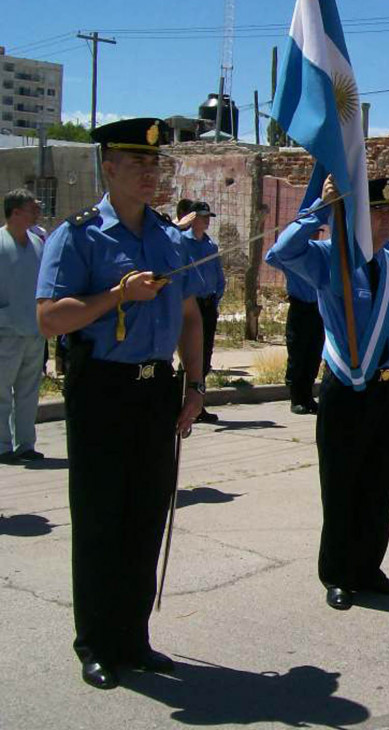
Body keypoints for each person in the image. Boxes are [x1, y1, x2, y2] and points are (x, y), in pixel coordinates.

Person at [36, 118, 205, 690]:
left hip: (156, 387)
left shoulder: (167, 235)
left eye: (156, 165)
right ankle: (98, 643)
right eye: (138, 165)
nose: (150, 175)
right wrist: (117, 295)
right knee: (102, 518)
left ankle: (134, 637)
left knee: (145, 516)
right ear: (109, 168)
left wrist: (197, 386)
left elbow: (188, 315)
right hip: (103, 390)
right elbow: (49, 319)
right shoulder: (78, 235)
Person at [268, 174, 389, 610]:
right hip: (347, 386)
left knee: (379, 482)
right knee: (341, 483)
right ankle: (338, 572)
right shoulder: (331, 258)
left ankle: (368, 567)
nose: (386, 217)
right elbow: (280, 253)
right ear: (356, 215)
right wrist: (318, 211)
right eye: (377, 209)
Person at [0, 188, 45, 463]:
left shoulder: (37, 242)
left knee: (28, 392)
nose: (37, 212)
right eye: (32, 208)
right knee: (1, 392)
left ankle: (25, 443)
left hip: (34, 331)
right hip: (5, 331)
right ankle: (3, 445)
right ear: (16, 212)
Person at [265, 242, 324, 414]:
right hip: (300, 308)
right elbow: (270, 257)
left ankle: (308, 396)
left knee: (314, 353)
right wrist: (290, 240)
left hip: (317, 308)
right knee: (298, 353)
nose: (312, 235)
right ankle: (296, 398)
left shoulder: (318, 252)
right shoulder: (291, 256)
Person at [178, 200, 224, 423]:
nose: (207, 220)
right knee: (188, 354)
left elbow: (218, 275)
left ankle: (199, 403)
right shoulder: (181, 243)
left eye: (208, 216)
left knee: (204, 357)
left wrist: (216, 298)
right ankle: (182, 401)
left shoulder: (210, 246)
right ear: (192, 218)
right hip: (189, 305)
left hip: (207, 305)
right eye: (203, 216)